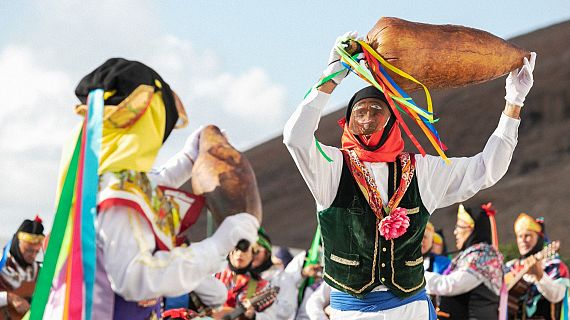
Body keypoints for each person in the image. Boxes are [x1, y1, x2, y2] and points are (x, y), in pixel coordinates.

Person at [283, 30, 536, 319]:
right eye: (359, 112)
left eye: (375, 111)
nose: (366, 119)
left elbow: (487, 168)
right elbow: (295, 137)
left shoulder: (422, 170)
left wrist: (514, 103)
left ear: (393, 120)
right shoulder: (331, 167)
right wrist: (333, 74)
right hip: (353, 313)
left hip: (410, 309)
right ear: (347, 122)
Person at [42, 58, 259, 319]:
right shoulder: (117, 195)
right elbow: (136, 278)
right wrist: (218, 244)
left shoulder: (94, 181)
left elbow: (149, 185)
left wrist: (190, 159)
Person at [425, 204, 504, 319]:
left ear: (473, 230)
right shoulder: (469, 256)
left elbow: (450, 285)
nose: (455, 232)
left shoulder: (484, 257)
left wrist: (416, 276)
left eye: (459, 227)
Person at [504, 213, 569, 319]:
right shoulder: (510, 267)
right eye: (520, 236)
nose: (523, 240)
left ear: (539, 238)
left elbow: (557, 296)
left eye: (528, 235)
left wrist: (540, 276)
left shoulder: (554, 266)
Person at [0, 217, 44, 317]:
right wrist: (9, 298)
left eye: (36, 252)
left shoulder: (40, 271)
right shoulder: (2, 265)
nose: (33, 255)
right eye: (28, 250)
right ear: (16, 243)